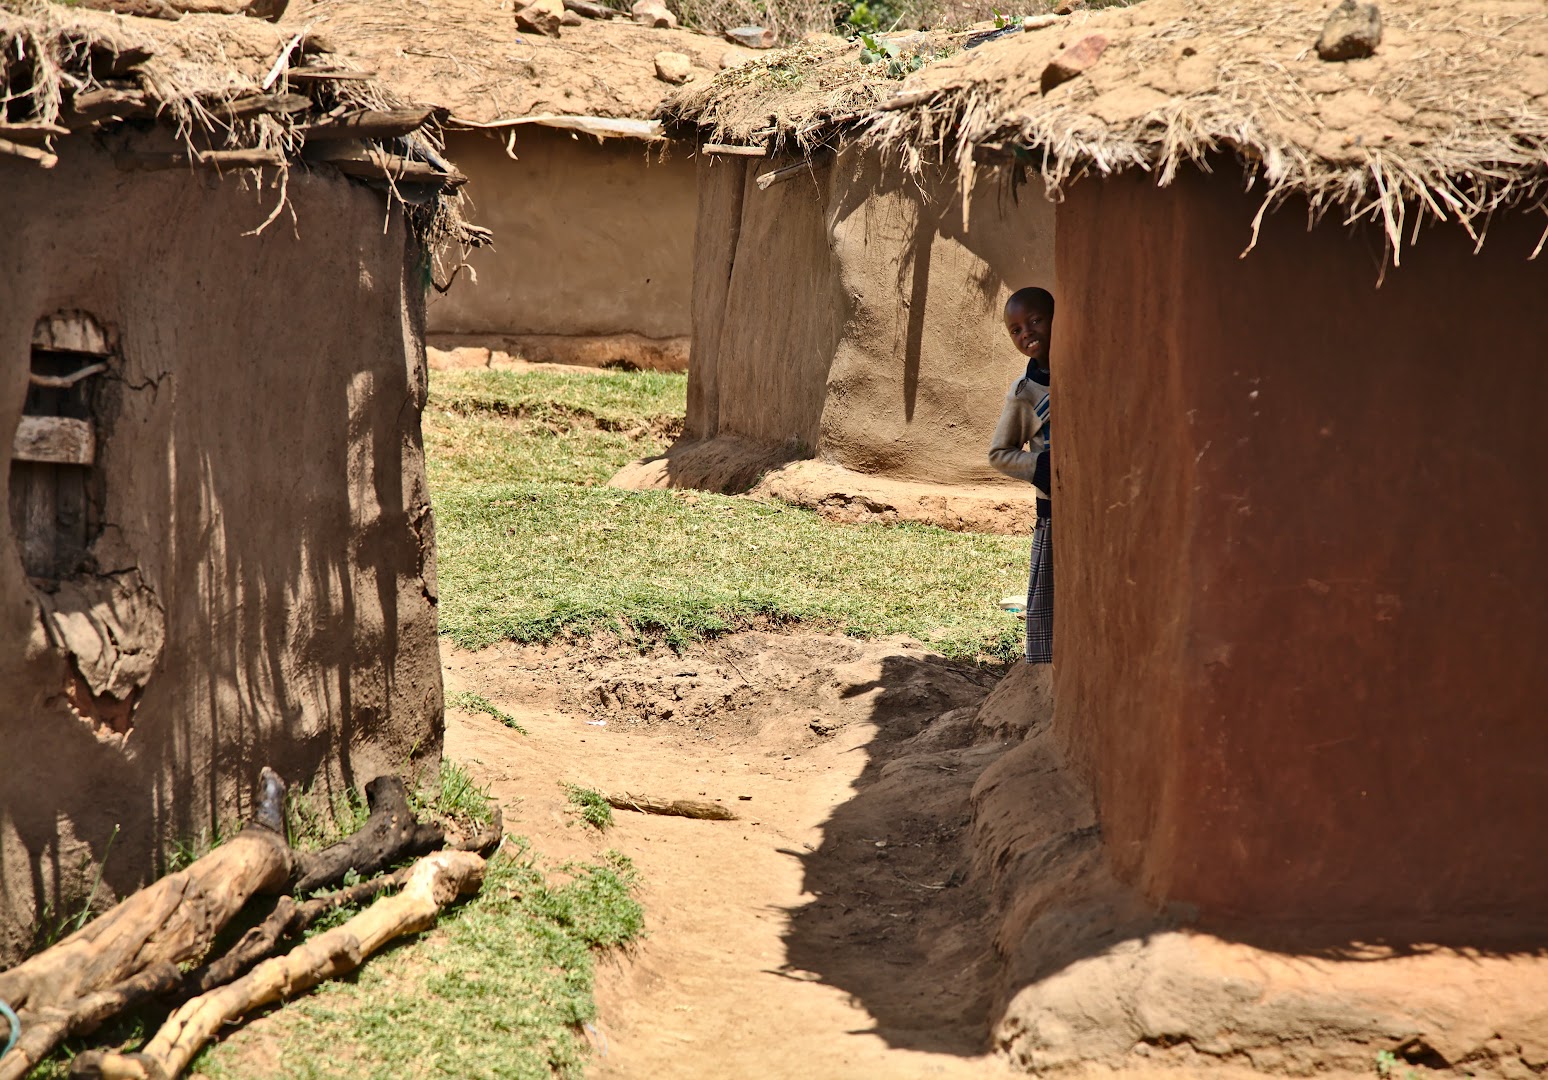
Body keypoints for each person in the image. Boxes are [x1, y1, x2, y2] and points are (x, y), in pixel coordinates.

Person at [988, 286, 1054, 664]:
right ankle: (1044, 671)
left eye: (1035, 321)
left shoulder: (1083, 373)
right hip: (1052, 511)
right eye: (1015, 329)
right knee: (1049, 594)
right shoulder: (1025, 393)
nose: (1026, 333)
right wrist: (1040, 468)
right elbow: (1000, 453)